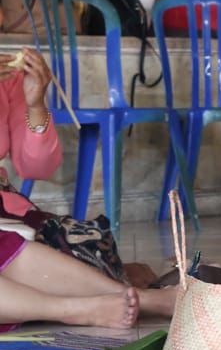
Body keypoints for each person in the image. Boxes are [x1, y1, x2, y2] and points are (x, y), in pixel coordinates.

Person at [0, 49, 174, 328]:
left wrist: (35, 104)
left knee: (80, 243)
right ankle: (84, 306)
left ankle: (126, 294)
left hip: (7, 212)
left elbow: (37, 167)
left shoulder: (6, 76)